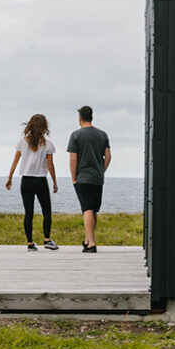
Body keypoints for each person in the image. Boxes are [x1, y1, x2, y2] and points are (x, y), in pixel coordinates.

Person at [5, 114, 59, 251]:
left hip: (26, 181)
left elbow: (15, 162)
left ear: (30, 125)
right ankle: (47, 240)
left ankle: (30, 243)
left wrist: (9, 178)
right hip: (40, 181)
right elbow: (50, 165)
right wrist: (54, 182)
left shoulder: (22, 142)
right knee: (47, 212)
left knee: (28, 213)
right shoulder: (48, 144)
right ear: (44, 127)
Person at [67, 105, 111, 253]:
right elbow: (108, 156)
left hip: (82, 177)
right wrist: (101, 170)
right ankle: (87, 239)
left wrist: (73, 177)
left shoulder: (76, 135)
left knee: (87, 209)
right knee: (93, 210)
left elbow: (73, 159)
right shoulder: (103, 135)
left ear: (80, 118)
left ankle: (91, 244)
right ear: (92, 116)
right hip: (97, 177)